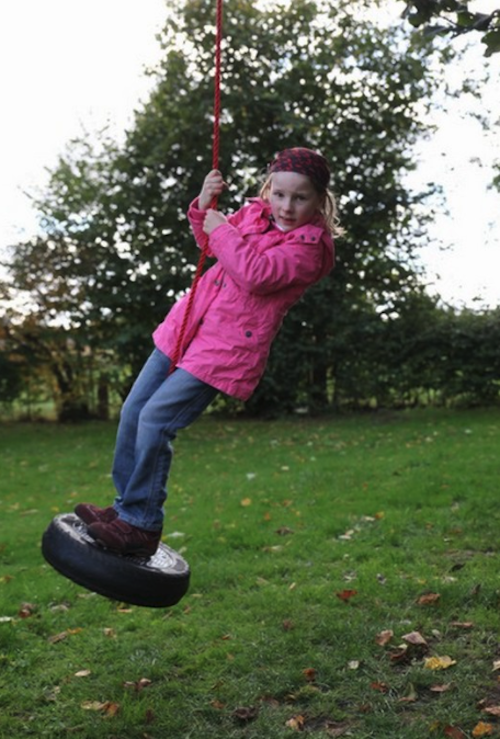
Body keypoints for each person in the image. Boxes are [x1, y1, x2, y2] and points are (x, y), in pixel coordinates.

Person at [75, 147, 341, 557]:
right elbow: (209, 244)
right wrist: (203, 206)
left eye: (300, 197)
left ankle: (142, 524)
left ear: (320, 200)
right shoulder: (254, 214)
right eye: (280, 194)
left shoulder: (310, 248)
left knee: (156, 420)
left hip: (225, 350)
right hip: (185, 327)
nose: (287, 206)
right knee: (133, 412)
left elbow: (256, 274)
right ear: (269, 190)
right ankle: (125, 508)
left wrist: (221, 229)